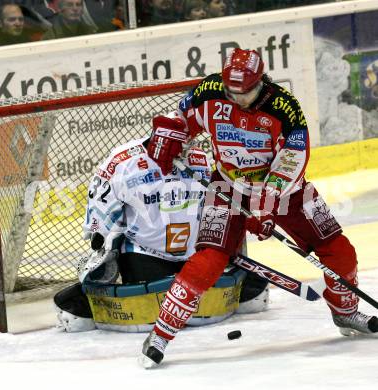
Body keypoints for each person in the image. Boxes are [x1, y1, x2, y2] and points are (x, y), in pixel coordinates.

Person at [140, 48, 378, 368]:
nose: (237, 98)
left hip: (286, 190)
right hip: (226, 187)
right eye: (231, 91)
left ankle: (346, 312)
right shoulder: (209, 92)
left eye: (246, 92)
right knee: (208, 260)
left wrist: (265, 207)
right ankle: (161, 333)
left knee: (340, 250)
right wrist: (169, 133)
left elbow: (291, 162)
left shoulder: (284, 108)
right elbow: (182, 118)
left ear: (261, 81)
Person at [54, 128, 269, 332]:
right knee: (160, 309)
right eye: (180, 145)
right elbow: (100, 195)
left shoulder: (198, 158)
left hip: (193, 253)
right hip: (146, 251)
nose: (187, 150)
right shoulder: (124, 161)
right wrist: (98, 232)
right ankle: (81, 301)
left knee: (237, 300)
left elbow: (211, 202)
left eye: (188, 144)